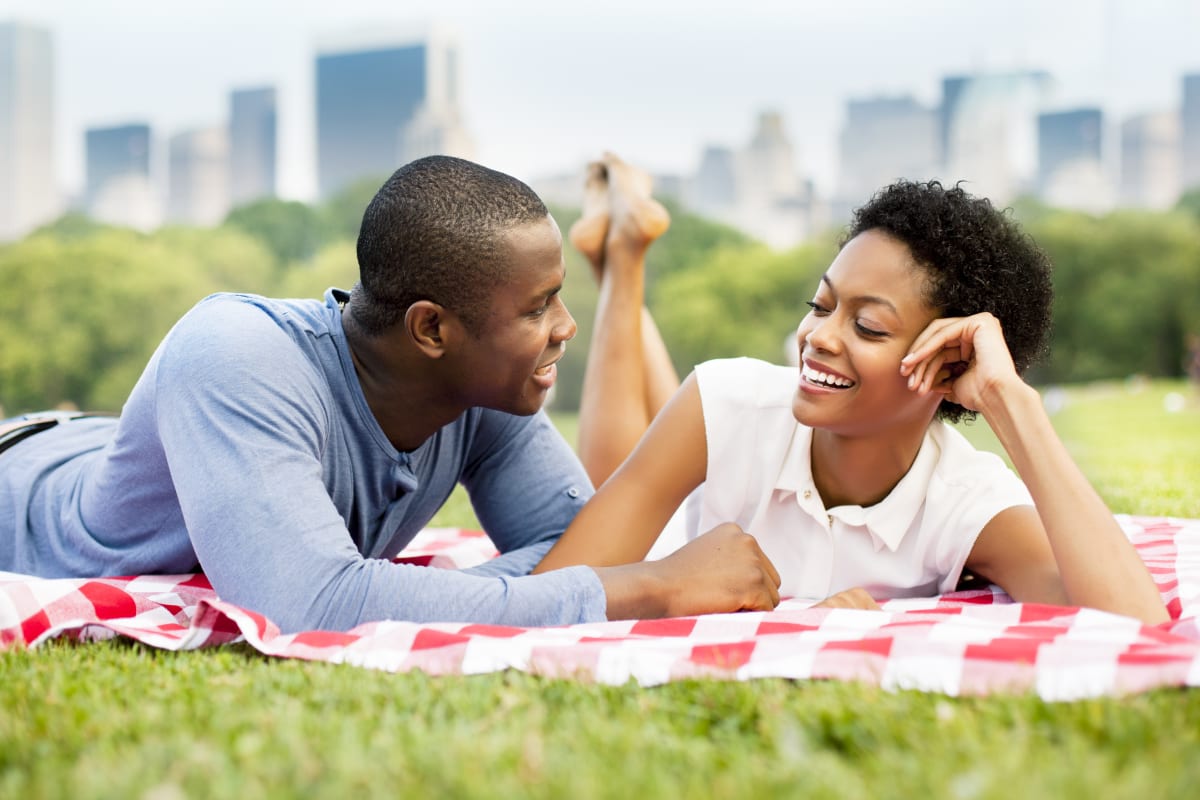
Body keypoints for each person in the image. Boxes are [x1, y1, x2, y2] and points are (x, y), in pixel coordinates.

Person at [0, 156, 781, 633]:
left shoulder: (481, 393)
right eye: (537, 306)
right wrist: (650, 586)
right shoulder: (233, 356)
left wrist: (398, 594)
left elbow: (580, 550)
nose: (564, 327)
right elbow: (312, 610)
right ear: (431, 328)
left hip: (114, 441)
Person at [535, 154, 1168, 625]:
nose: (818, 337)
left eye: (866, 325)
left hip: (730, 459)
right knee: (611, 470)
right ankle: (624, 256)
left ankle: (623, 245)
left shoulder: (963, 500)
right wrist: (684, 590)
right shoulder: (726, 400)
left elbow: (1132, 622)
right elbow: (557, 590)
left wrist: (1011, 400)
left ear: (946, 367)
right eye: (821, 305)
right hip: (670, 544)